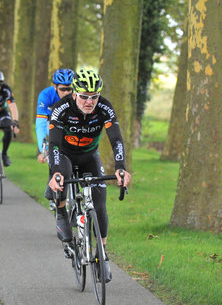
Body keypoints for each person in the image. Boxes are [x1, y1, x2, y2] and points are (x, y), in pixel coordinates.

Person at [47, 68, 131, 283]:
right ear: (74, 94)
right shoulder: (61, 108)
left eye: (94, 97)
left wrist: (121, 167)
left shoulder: (104, 107)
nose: (89, 102)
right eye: (84, 97)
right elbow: (54, 144)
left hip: (89, 156)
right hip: (63, 155)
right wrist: (56, 172)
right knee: (61, 182)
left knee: (100, 203)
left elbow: (116, 139)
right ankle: (61, 211)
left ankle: (101, 254)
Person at [36, 69, 74, 208]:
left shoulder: (77, 96)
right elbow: (40, 124)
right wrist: (43, 149)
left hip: (69, 125)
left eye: (69, 89)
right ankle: (53, 186)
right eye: (62, 89)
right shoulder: (46, 95)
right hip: (49, 124)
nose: (66, 93)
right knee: (54, 153)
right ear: (55, 87)